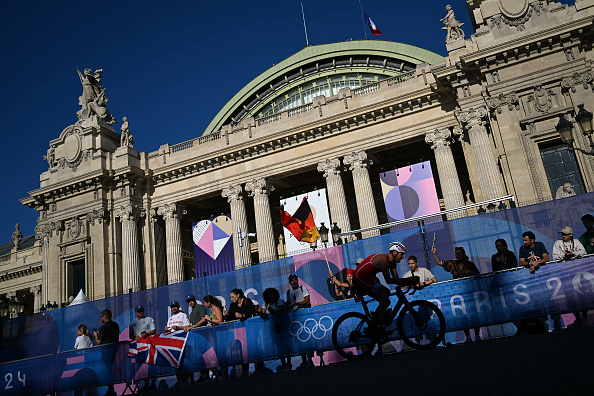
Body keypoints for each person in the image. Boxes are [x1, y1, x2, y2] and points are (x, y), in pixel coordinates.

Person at [352, 242, 415, 330]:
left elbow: (397, 281)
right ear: (394, 253)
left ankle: (375, 323)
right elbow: (388, 280)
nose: (403, 257)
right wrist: (410, 279)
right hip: (359, 278)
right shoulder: (383, 259)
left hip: (368, 277)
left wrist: (411, 282)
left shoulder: (393, 263)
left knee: (386, 301)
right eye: (402, 254)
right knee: (385, 292)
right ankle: (380, 325)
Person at [431, 246, 481, 343]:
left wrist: (471, 273)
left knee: (473, 314)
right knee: (463, 315)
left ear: (464, 254)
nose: (457, 255)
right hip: (459, 294)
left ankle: (477, 335)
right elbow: (440, 262)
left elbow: (478, 276)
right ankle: (468, 336)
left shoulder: (470, 265)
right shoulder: (453, 264)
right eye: (456, 254)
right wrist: (434, 253)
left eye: (459, 253)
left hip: (470, 293)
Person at [226, 289, 256, 377]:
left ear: (238, 295)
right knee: (243, 349)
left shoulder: (247, 301)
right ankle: (245, 370)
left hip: (250, 328)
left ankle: (258, 367)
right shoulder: (232, 305)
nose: (231, 299)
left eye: (233, 297)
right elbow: (229, 318)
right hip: (239, 330)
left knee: (252, 347)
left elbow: (251, 313)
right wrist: (225, 315)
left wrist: (242, 315)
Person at [93, 309, 120, 396]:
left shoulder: (103, 327)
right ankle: (111, 389)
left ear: (105, 316)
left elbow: (99, 342)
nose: (100, 318)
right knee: (110, 369)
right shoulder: (115, 325)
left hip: (106, 351)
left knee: (107, 371)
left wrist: (96, 335)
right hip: (114, 350)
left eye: (101, 316)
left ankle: (111, 390)